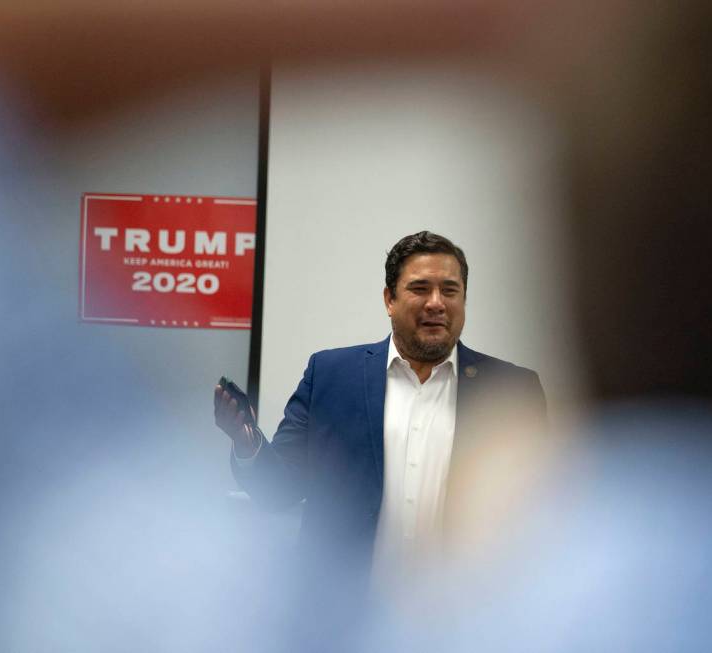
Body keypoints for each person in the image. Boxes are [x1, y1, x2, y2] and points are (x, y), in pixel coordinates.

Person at [214, 231, 546, 584]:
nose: (437, 303)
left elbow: (538, 516)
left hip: (466, 621)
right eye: (420, 289)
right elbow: (279, 491)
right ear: (390, 299)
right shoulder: (330, 376)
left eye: (450, 290)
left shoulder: (509, 390)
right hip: (347, 619)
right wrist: (247, 442)